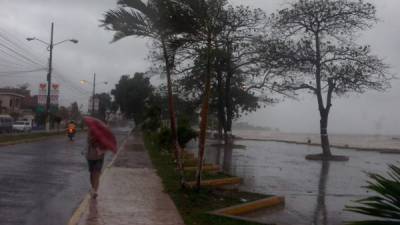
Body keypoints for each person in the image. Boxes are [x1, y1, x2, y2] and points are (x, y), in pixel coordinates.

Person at [85, 131, 105, 198]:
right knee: (92, 174)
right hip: (90, 157)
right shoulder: (90, 132)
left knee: (96, 174)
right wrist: (95, 139)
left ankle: (95, 191)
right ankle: (93, 187)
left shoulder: (103, 134)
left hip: (99, 157)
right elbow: (89, 141)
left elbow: (106, 146)